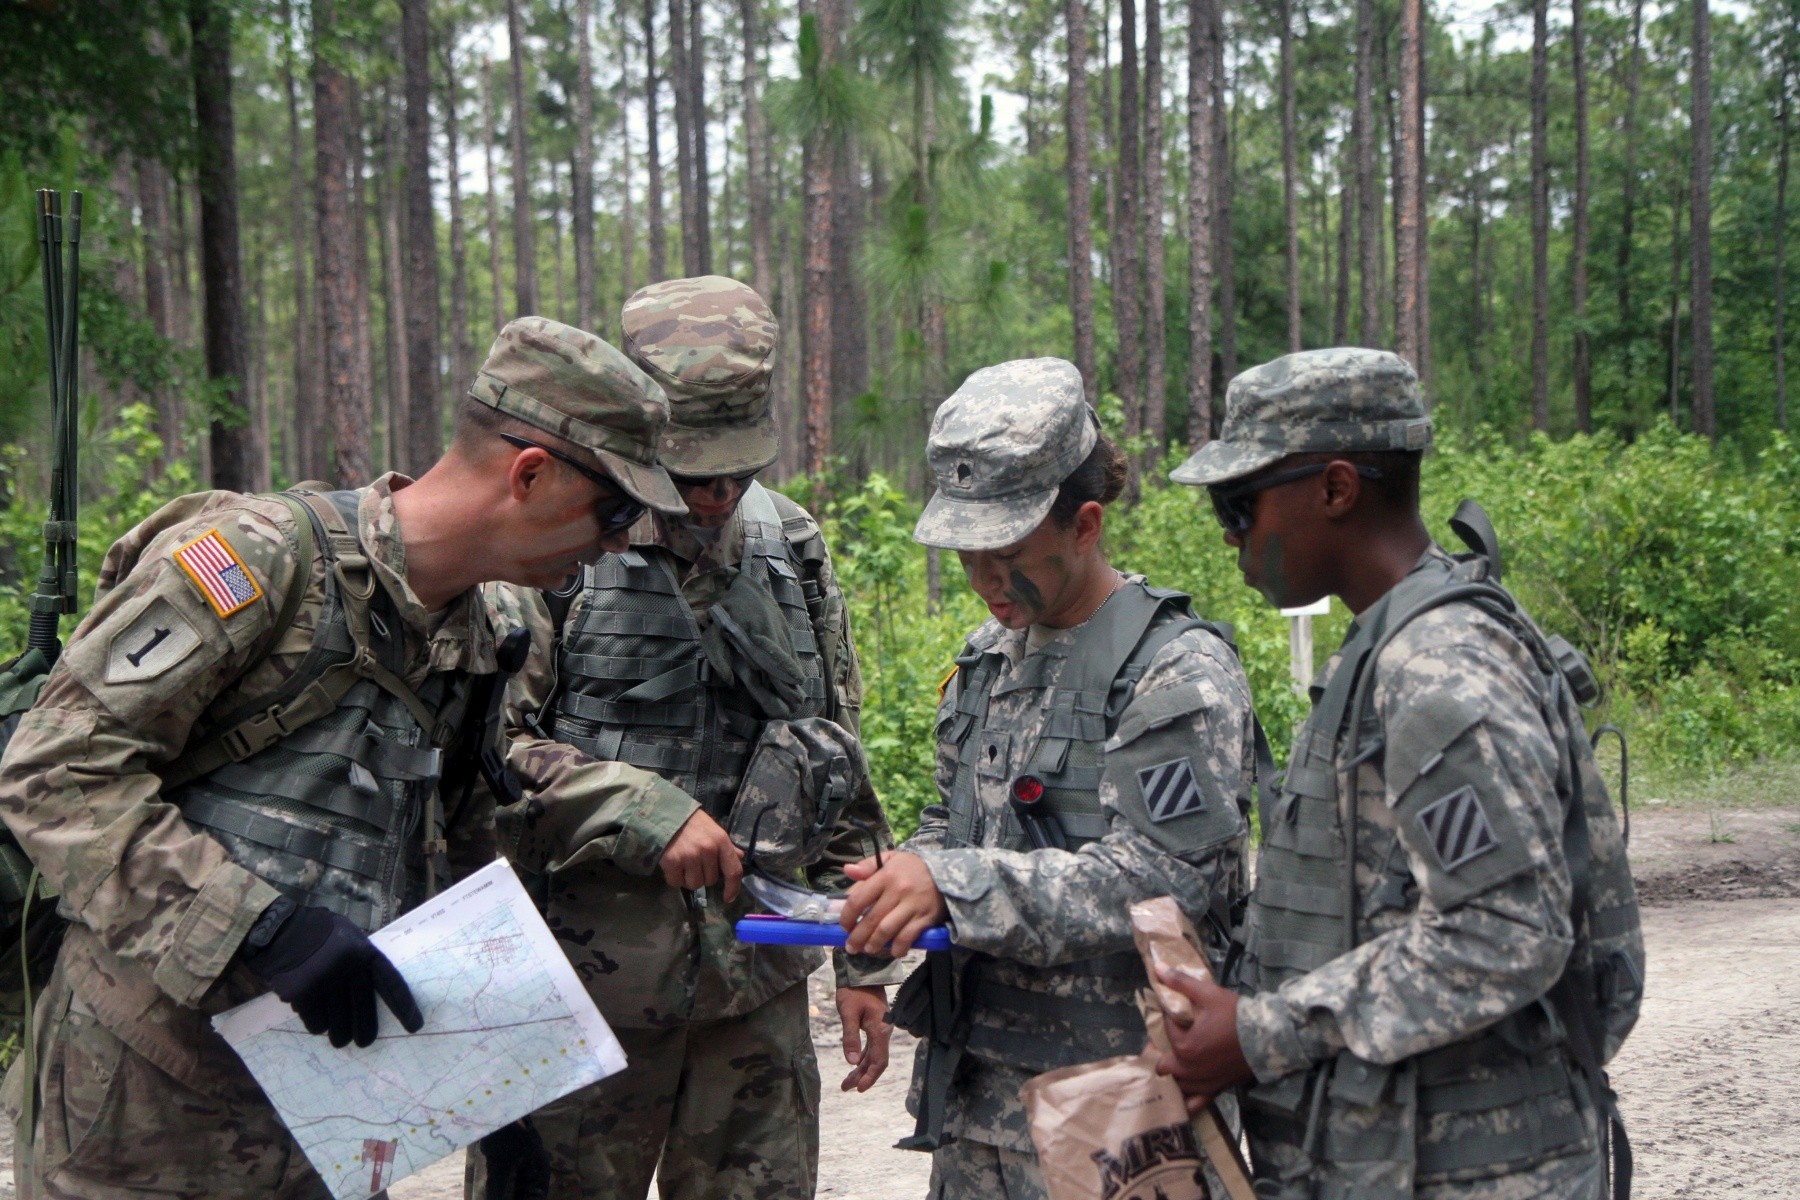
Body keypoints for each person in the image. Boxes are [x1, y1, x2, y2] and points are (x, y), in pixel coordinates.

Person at [0, 317, 685, 1200]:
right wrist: (259, 926)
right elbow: (55, 770)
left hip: (323, 1114)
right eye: (618, 509)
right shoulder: (259, 563)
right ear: (530, 473)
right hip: (141, 1105)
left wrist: (493, 1093)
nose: (621, 541)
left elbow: (458, 861)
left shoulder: (493, 634)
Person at [1157, 348, 1644, 1199]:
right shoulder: (1389, 645)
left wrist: (1263, 1032)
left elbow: (1508, 930)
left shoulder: (1437, 664)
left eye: (1240, 504)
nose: (1232, 535)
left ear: (1336, 490)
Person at [477, 275, 902, 1200]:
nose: (714, 497)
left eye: (735, 473)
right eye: (692, 473)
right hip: (580, 997)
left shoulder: (790, 543)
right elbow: (491, 757)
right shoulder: (560, 543)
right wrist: (638, 807)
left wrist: (862, 958)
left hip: (756, 995)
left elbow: (837, 752)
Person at [836, 357, 1257, 1200]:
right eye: (968, 556)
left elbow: (1164, 880)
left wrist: (949, 884)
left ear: (1086, 524)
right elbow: (948, 822)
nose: (989, 581)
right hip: (976, 1092)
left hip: (1119, 1097)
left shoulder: (1173, 672)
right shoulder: (987, 661)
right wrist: (881, 909)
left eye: (1011, 554)